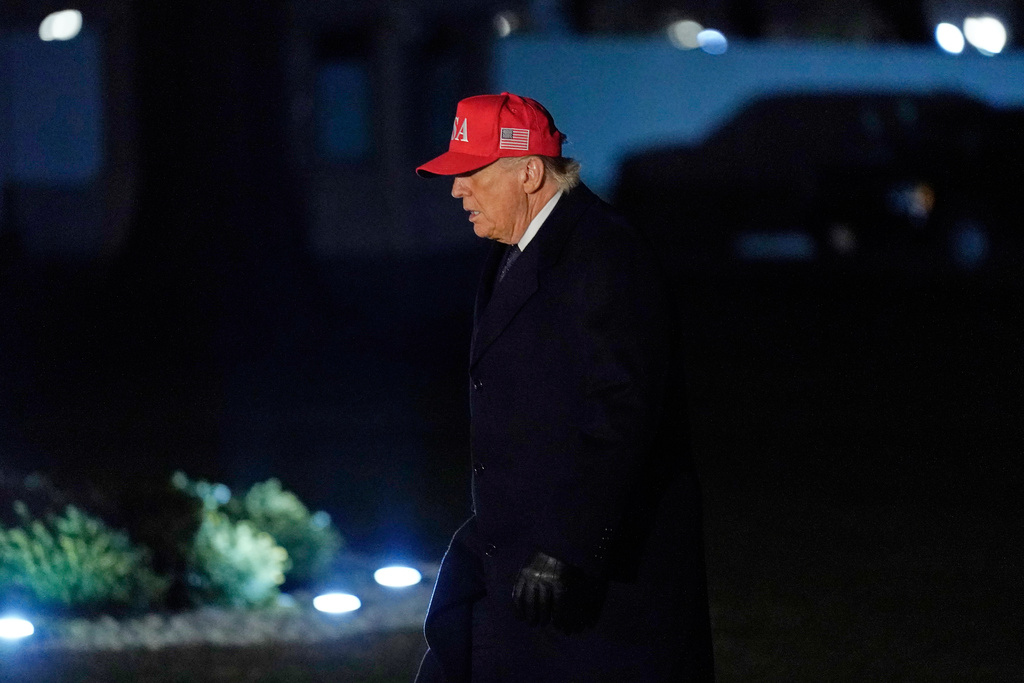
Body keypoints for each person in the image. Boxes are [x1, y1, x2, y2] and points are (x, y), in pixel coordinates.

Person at [414, 92, 714, 682]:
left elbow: (621, 415)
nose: (456, 190)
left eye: (470, 173)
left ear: (528, 172)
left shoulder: (606, 255)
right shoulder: (511, 252)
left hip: (588, 589)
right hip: (513, 570)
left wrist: (564, 547)